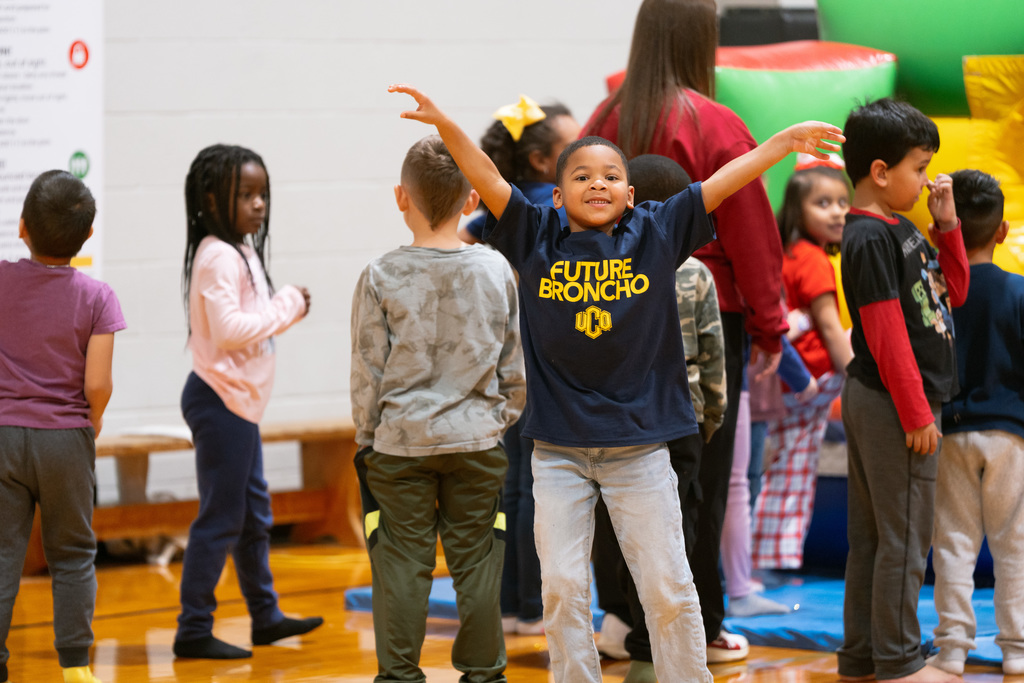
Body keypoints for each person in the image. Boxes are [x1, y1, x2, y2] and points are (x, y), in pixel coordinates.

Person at [388, 81, 843, 682]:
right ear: (556, 195)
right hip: (558, 454)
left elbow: (722, 184)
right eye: (581, 176)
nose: (596, 184)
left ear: (630, 194)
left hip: (641, 448)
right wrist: (447, 124)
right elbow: (492, 182)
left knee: (670, 587)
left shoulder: (654, 234)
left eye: (609, 176)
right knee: (565, 589)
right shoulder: (534, 237)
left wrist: (781, 144)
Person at [580, 0, 789, 661]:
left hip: (607, 314)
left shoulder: (605, 118)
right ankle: (698, 623)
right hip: (703, 317)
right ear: (704, 39)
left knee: (615, 466)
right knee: (694, 473)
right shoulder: (715, 123)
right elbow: (753, 230)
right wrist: (770, 322)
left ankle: (620, 615)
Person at [350, 134, 526, 682]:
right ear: (472, 200)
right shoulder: (497, 270)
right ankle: (483, 674)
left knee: (401, 563)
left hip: (400, 445)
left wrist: (367, 436)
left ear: (401, 197)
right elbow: (514, 365)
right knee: (478, 562)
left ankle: (399, 675)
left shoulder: (379, 275)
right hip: (478, 443)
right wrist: (499, 420)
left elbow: (367, 372)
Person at [837, 98, 969, 683]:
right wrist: (917, 413)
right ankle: (898, 661)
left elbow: (953, 293)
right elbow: (887, 335)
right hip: (893, 402)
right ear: (881, 171)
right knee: (905, 535)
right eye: (920, 167)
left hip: (889, 399)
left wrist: (946, 224)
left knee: (876, 536)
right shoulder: (868, 237)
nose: (926, 179)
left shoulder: (901, 228)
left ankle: (864, 655)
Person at [173, 144, 322, 660]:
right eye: (246, 195)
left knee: (254, 516)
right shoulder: (217, 254)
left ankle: (265, 616)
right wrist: (290, 303)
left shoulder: (242, 250)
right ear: (213, 198)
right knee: (221, 519)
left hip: (240, 406)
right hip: (220, 402)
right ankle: (193, 629)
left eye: (263, 195)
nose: (259, 205)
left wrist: (283, 304)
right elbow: (230, 330)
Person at [589, 154, 726, 680]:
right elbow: (713, 359)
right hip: (680, 424)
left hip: (627, 422)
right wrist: (709, 419)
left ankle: (644, 640)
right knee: (676, 533)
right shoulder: (695, 273)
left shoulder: (608, 265)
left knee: (628, 534)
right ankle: (655, 648)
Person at [0, 171, 125, 683]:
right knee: (73, 554)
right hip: (65, 440)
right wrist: (89, 424)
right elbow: (98, 382)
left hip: (3, 435)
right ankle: (75, 667)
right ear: (88, 236)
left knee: (3, 553)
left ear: (23, 227)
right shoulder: (98, 297)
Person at [463, 95, 580, 636]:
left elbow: (461, 243)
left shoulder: (495, 210)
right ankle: (534, 606)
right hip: (542, 363)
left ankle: (512, 605)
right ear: (541, 161)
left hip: (498, 364)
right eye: (572, 145)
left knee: (511, 485)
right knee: (538, 486)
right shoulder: (555, 209)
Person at [928, 169, 1024, 677]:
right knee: (1015, 545)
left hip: (950, 431)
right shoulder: (1019, 291)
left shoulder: (937, 292)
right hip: (1011, 434)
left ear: (941, 228)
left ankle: (951, 651)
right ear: (1003, 230)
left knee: (953, 545)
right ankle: (1017, 651)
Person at [751, 163, 854, 570]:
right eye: (823, 203)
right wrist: (856, 375)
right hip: (812, 378)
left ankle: (766, 557)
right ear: (797, 209)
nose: (837, 213)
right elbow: (829, 326)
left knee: (784, 464)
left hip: (786, 379)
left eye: (843, 203)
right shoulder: (813, 260)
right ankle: (773, 560)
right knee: (793, 470)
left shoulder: (786, 254)